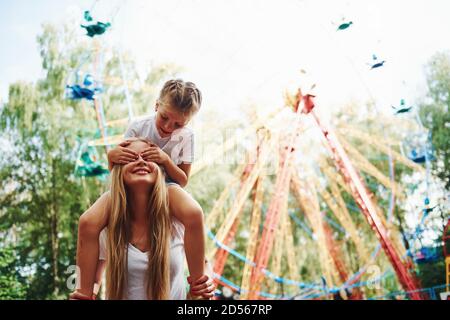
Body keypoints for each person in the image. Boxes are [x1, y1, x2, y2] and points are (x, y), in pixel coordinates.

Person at [74, 79, 210, 299]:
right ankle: (83, 291)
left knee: (193, 212)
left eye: (178, 125)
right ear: (156, 105)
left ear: (188, 122)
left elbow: (183, 179)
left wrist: (164, 161)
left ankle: (197, 283)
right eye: (165, 118)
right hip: (126, 189)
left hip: (167, 186)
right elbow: (121, 166)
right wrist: (111, 157)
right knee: (88, 221)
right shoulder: (138, 125)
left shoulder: (187, 138)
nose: (168, 127)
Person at [71, 138, 215, 299]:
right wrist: (84, 293)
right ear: (119, 171)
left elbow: (203, 262)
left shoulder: (176, 218)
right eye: (130, 158)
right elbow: (94, 276)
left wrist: (206, 278)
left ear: (161, 171)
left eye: (148, 158)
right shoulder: (108, 227)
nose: (140, 161)